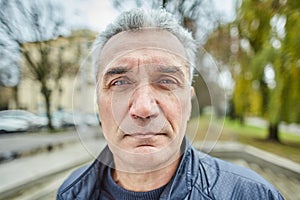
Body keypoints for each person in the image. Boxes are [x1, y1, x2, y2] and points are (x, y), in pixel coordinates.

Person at [57, 9, 283, 200]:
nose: (144, 109)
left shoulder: (252, 194)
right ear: (98, 104)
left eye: (166, 81)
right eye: (120, 82)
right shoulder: (71, 192)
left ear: (189, 103)